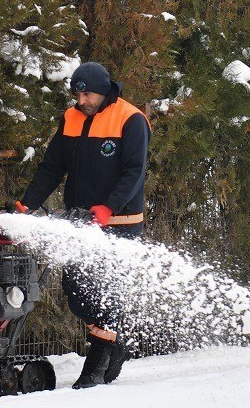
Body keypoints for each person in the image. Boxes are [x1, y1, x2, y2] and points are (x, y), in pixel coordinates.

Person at [15, 61, 150, 388]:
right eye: (77, 94)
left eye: (87, 93)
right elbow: (52, 167)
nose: (82, 100)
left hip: (119, 221)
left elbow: (135, 171)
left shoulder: (130, 119)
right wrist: (27, 203)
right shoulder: (71, 118)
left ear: (103, 90)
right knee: (76, 291)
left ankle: (95, 367)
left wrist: (108, 207)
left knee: (104, 292)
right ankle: (114, 342)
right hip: (80, 221)